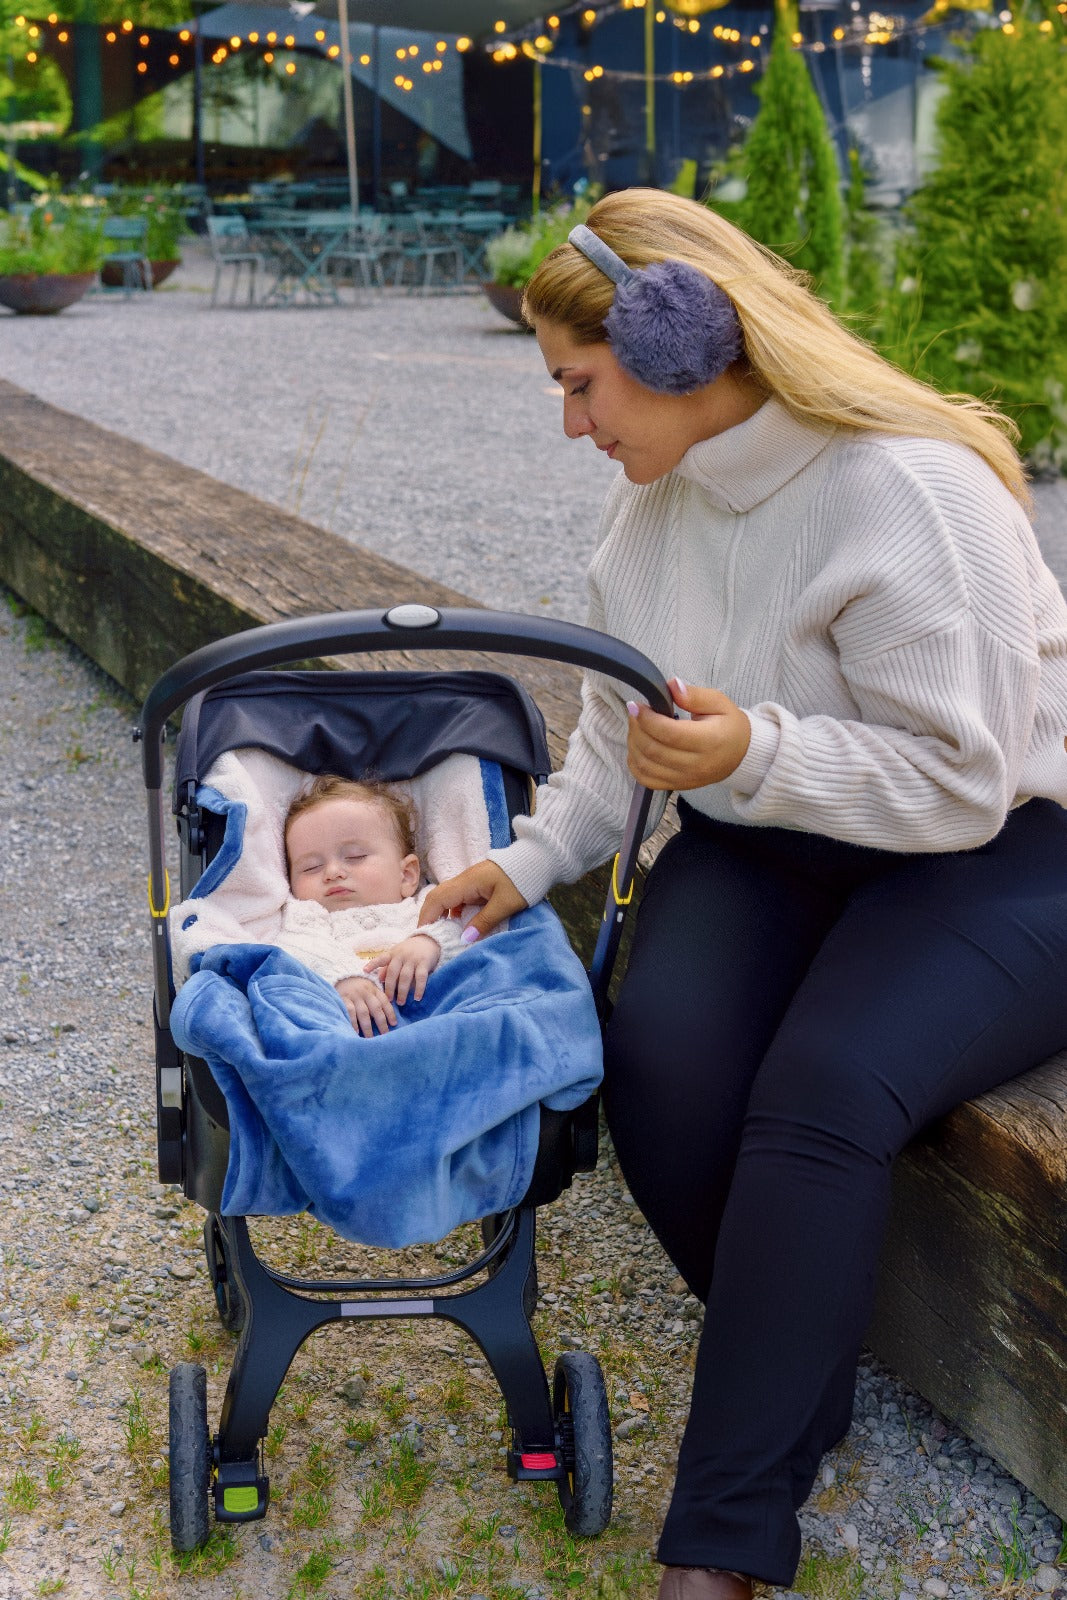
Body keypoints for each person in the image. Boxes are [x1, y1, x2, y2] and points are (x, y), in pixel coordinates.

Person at [419, 188, 1067, 1599]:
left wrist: (752, 752)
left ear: (680, 343)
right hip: (775, 831)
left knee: (822, 1088)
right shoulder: (655, 496)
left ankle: (720, 1538)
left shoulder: (908, 490)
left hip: (1000, 847)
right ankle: (792, 1378)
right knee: (654, 1060)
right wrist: (524, 861)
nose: (571, 425)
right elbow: (621, 726)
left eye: (579, 384)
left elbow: (962, 782)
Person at [281, 776, 467, 1037]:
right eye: (311, 867)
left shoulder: (428, 904)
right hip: (351, 1033)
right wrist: (341, 976)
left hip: (441, 1021)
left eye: (355, 856)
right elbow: (292, 953)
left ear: (406, 876)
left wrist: (431, 943)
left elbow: (470, 928)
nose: (333, 872)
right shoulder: (306, 918)